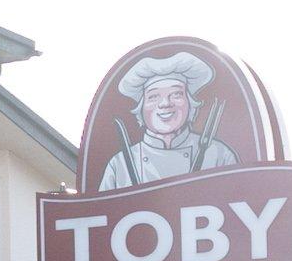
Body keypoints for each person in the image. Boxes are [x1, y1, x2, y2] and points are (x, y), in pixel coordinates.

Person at [97, 51, 237, 188]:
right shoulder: (119, 164)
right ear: (141, 108)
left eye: (176, 94)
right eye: (153, 96)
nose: (165, 103)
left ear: (190, 103)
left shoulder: (219, 155)